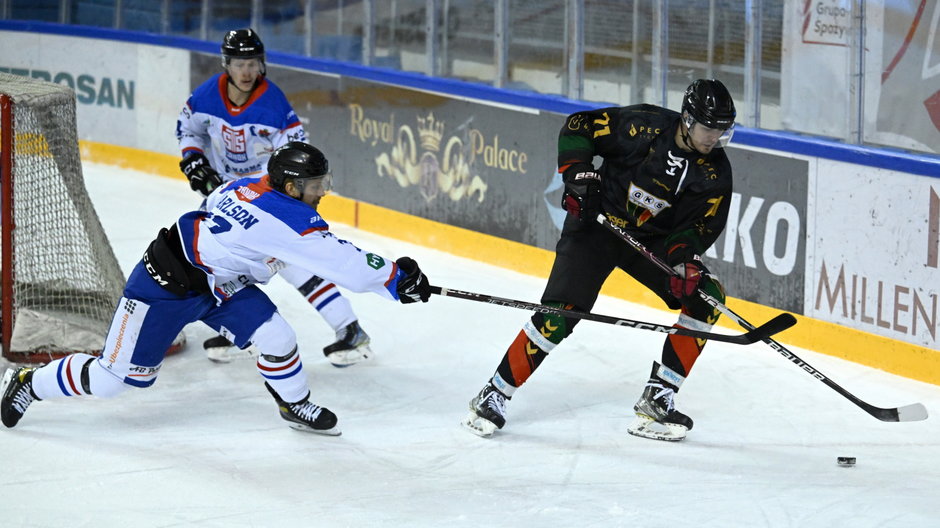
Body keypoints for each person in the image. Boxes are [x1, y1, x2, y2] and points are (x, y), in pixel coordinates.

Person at [0, 142, 432, 435]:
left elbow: (216, 207)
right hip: (162, 286)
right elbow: (346, 263)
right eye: (316, 185)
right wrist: (398, 279)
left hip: (217, 283)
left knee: (276, 336)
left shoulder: (248, 184)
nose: (323, 191)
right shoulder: (286, 218)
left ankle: (293, 404)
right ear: (290, 186)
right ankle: (28, 382)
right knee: (116, 381)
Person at [462, 79, 736, 442]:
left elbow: (699, 227)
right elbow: (580, 125)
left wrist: (684, 262)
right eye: (708, 128)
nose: (714, 137)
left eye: (722, 130)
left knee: (707, 297)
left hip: (648, 241)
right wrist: (577, 173)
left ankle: (658, 398)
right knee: (560, 314)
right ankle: (494, 393)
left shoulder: (715, 173)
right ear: (687, 119)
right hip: (596, 223)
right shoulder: (645, 126)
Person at [176, 28, 371, 366]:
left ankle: (350, 330)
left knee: (294, 263)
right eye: (239, 64)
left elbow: (298, 152)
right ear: (227, 64)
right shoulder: (206, 95)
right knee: (217, 260)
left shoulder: (274, 103)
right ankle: (238, 329)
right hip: (224, 194)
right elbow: (188, 128)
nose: (247, 72)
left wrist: (288, 197)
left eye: (252, 63)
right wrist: (194, 160)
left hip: (266, 196)